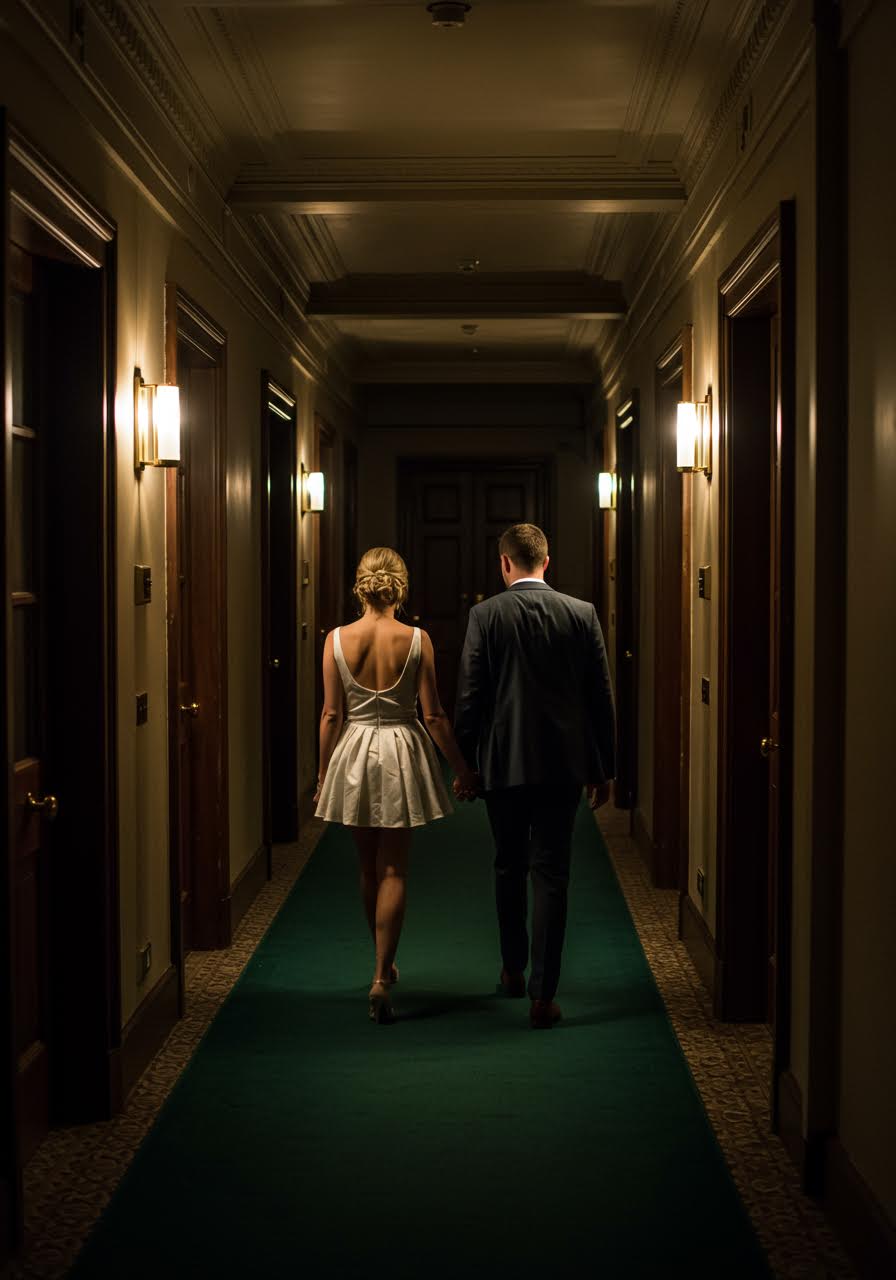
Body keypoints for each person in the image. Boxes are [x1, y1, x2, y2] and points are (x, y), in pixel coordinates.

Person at [453, 523, 616, 1030]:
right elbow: (600, 698)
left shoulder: (485, 615)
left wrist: (466, 764)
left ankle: (511, 969)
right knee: (553, 875)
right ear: (546, 562)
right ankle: (544, 995)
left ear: (505, 564)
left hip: (503, 764)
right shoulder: (582, 614)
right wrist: (603, 766)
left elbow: (471, 695)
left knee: (508, 866)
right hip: (563, 765)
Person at [314, 546, 479, 1024]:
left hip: (355, 751)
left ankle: (381, 964)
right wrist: (462, 769)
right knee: (395, 871)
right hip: (401, 749)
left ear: (360, 584)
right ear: (400, 587)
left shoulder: (336, 639)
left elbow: (330, 714)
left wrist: (323, 773)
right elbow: (434, 715)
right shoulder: (418, 639)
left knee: (368, 868)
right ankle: (383, 974)